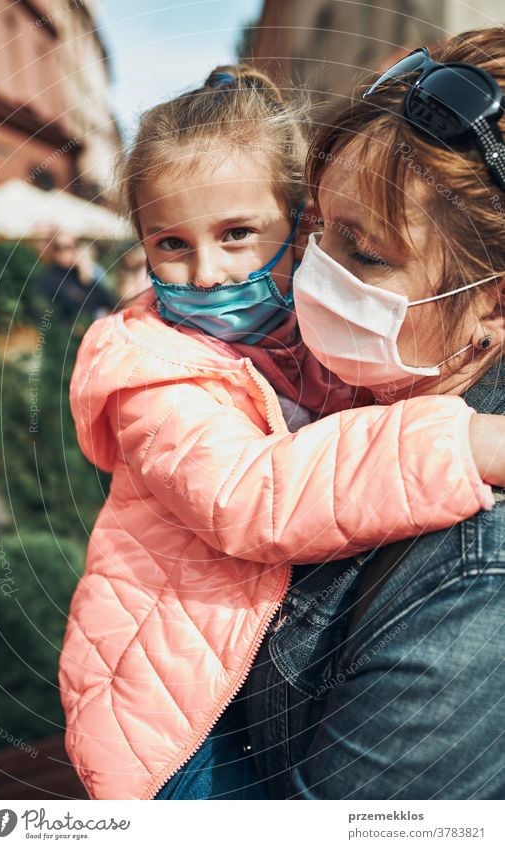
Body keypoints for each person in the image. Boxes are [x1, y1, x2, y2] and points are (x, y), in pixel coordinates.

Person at [59, 63, 505, 801]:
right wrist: (460, 444)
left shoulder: (300, 334)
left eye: (236, 233)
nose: (204, 273)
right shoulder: (149, 368)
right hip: (176, 730)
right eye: (169, 242)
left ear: (286, 225)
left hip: (223, 682)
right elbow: (254, 493)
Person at [243, 26, 505, 800]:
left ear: (493, 298)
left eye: (365, 253)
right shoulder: (343, 390)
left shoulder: (478, 572)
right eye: (318, 229)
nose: (316, 271)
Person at [37, 234, 115, 324]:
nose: (63, 252)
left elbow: (108, 301)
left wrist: (87, 279)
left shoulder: (83, 272)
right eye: (57, 247)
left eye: (68, 247)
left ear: (76, 249)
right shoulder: (48, 277)